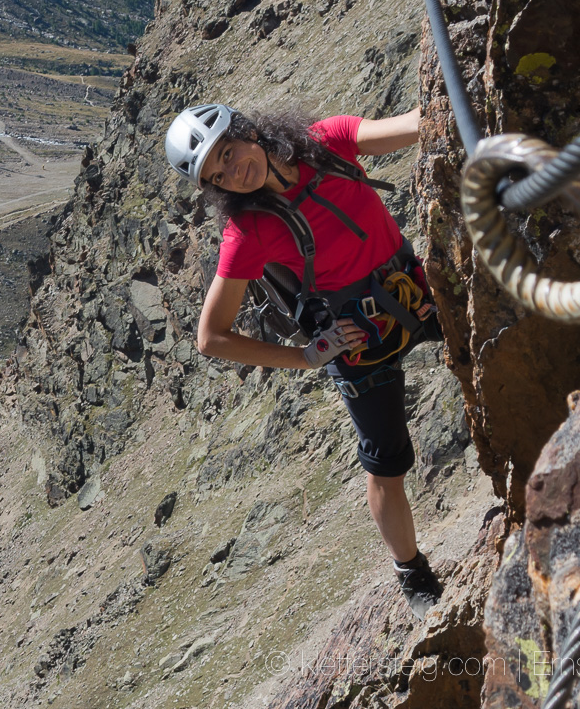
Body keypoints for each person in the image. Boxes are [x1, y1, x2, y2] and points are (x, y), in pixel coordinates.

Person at [164, 100, 444, 618]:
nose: (233, 172)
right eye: (217, 174)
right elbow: (211, 337)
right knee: (385, 464)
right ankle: (411, 571)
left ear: (247, 129)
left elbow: (416, 125)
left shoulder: (326, 143)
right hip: (357, 340)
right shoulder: (247, 233)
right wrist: (306, 357)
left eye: (227, 152)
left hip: (415, 290)